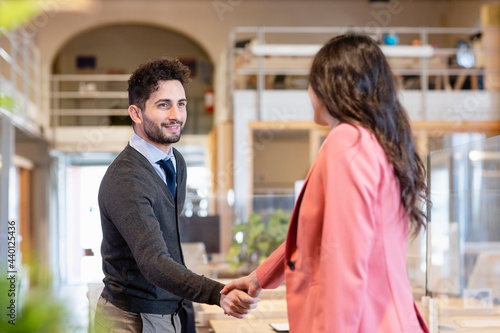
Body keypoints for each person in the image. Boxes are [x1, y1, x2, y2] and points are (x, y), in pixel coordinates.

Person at [221, 33, 430, 333]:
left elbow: (344, 260)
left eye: (312, 81)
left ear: (330, 85)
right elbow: (318, 237)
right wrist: (259, 277)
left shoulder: (347, 141)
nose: (308, 92)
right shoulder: (380, 143)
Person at [95, 58, 258, 333]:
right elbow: (155, 263)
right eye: (163, 105)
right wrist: (217, 293)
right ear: (136, 113)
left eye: (181, 104)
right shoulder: (127, 180)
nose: (176, 115)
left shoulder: (176, 162)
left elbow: (169, 243)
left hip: (168, 309)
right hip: (132, 318)